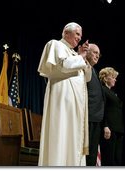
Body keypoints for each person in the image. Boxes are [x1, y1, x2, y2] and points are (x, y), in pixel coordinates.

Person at [37, 22, 92, 166]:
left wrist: (83, 57)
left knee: (73, 139)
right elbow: (63, 65)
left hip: (76, 107)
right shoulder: (55, 44)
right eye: (77, 34)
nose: (80, 38)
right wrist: (80, 56)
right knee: (61, 136)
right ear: (66, 33)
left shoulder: (75, 54)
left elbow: (87, 77)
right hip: (61, 102)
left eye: (81, 35)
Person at [98, 67, 124, 166]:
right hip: (109, 129)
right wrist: (105, 126)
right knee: (109, 159)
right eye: (113, 77)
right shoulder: (103, 90)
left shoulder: (112, 92)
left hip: (118, 129)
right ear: (105, 78)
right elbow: (102, 109)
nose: (115, 79)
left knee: (117, 159)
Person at [85, 43, 105, 166]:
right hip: (87, 117)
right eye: (94, 52)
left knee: (92, 154)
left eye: (98, 54)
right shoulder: (83, 68)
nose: (97, 56)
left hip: (96, 118)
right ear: (86, 52)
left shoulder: (94, 71)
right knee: (85, 153)